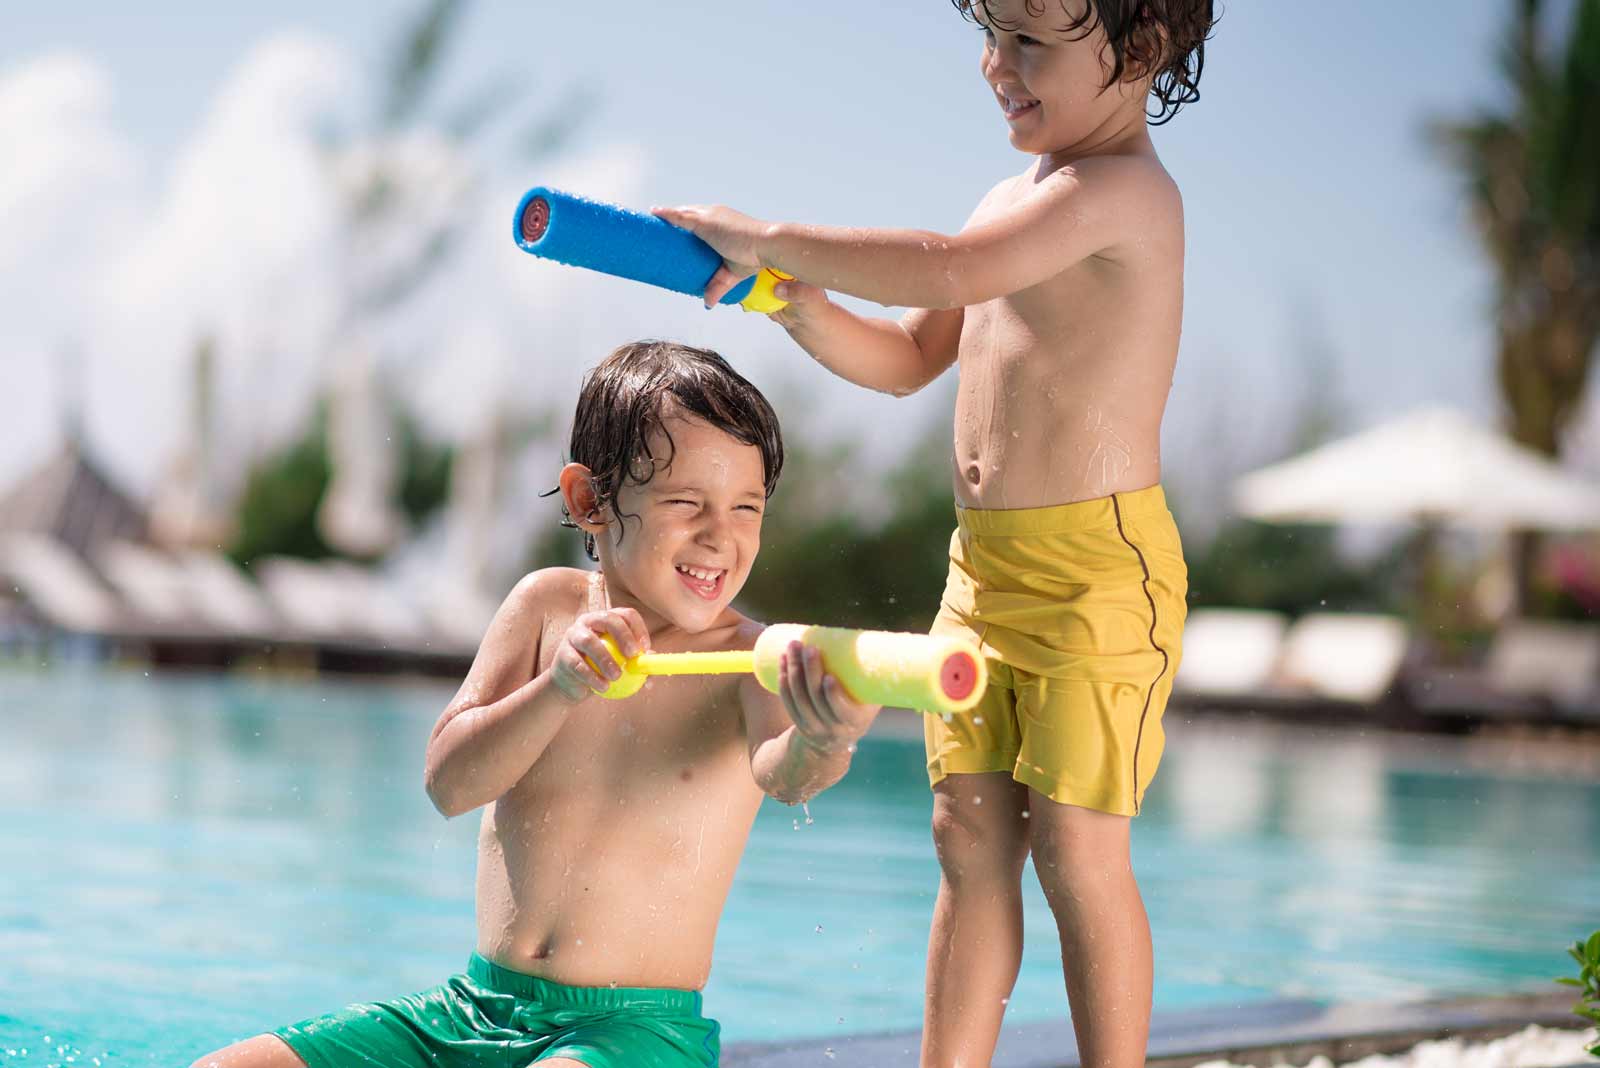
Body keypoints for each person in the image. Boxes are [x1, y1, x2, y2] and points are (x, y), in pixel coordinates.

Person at [654, 3, 1217, 1064]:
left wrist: (766, 233)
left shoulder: (1125, 196)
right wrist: (795, 302)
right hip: (983, 572)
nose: (995, 63)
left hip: (1097, 571)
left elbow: (949, 269)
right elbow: (913, 356)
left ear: (1137, 54)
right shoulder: (1013, 198)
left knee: (1075, 852)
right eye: (992, 31)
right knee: (965, 840)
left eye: (1030, 40)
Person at [192, 339, 880, 1068]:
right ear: (589, 501)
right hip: (468, 1011)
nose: (721, 536)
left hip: (635, 1034)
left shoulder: (753, 657)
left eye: (748, 508)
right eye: (686, 503)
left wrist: (825, 737)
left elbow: (786, 774)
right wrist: (558, 689)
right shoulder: (545, 608)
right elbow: (448, 784)